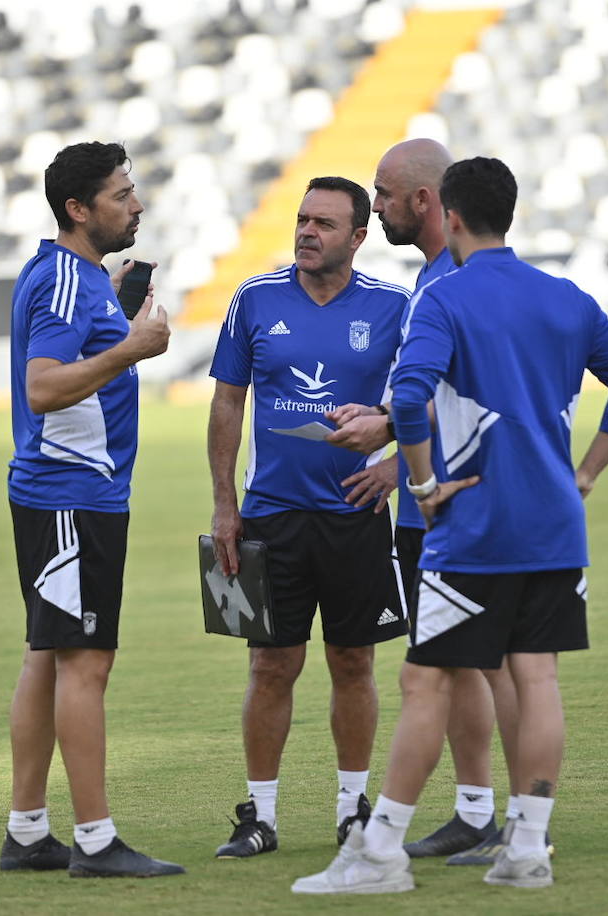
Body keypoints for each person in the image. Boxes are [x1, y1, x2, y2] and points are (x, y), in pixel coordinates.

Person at [293, 156, 608, 894]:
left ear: (449, 217)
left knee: (424, 681)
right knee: (538, 677)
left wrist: (421, 484)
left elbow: (414, 392)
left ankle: (381, 852)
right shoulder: (567, 297)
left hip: (475, 524)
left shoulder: (443, 299)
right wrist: (584, 475)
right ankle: (527, 846)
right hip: (555, 522)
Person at [327, 138, 523, 864]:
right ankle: (477, 811)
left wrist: (388, 429)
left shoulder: (457, 284)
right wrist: (390, 454)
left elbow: (478, 386)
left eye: (381, 194)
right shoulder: (434, 281)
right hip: (423, 505)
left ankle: (512, 821)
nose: (372, 207)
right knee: (463, 664)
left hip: (456, 501)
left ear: (422, 201)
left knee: (484, 664)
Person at [207, 176, 410, 859]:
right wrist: (224, 503)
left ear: (357, 237)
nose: (306, 232)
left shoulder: (394, 307)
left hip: (356, 516)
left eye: (324, 223)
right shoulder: (255, 299)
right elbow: (229, 402)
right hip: (270, 517)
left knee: (354, 662)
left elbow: (422, 400)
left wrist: (397, 467)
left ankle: (354, 811)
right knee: (269, 666)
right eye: (302, 219)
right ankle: (259, 817)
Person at [0, 141, 183, 879]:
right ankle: (97, 841)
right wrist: (133, 346)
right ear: (79, 210)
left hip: (62, 494)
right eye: (120, 194)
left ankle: (27, 830)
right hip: (71, 495)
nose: (135, 204)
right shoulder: (71, 282)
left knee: (48, 657)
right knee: (86, 663)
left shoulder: (75, 277)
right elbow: (44, 387)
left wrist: (119, 312)